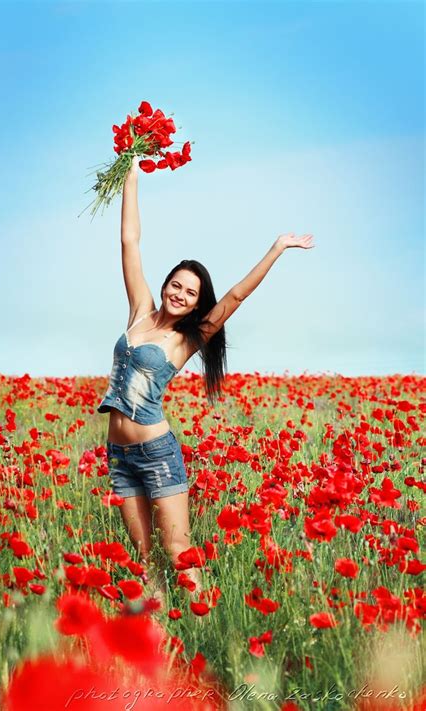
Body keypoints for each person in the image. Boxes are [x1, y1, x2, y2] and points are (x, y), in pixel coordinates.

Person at [97, 155, 314, 605]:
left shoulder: (186, 340)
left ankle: (201, 622)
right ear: (166, 284)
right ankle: (158, 644)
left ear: (197, 304)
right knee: (142, 557)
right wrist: (131, 173)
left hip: (157, 453)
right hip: (119, 452)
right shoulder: (139, 311)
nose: (179, 294)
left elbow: (235, 296)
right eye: (176, 285)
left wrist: (276, 248)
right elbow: (129, 241)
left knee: (177, 550)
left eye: (190, 293)